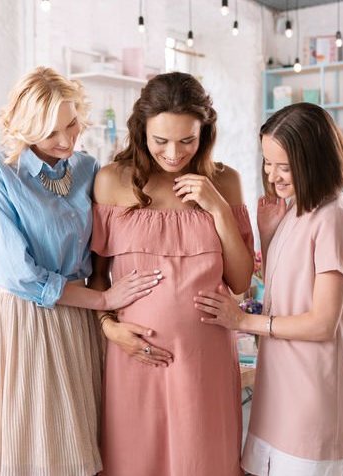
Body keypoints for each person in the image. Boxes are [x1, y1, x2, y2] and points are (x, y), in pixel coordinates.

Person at [0, 66, 162, 476]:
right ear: (25, 128)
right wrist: (105, 299)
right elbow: (19, 273)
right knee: (36, 449)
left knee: (81, 444)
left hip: (79, 320)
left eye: (72, 124)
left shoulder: (89, 168)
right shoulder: (0, 174)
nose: (66, 140)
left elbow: (114, 233)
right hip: (27, 320)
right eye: (50, 132)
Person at [90, 71, 254, 476]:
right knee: (135, 462)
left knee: (204, 462)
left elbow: (240, 280)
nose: (173, 153)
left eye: (187, 140)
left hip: (206, 359)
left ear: (205, 132)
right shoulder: (112, 181)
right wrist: (109, 329)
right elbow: (94, 279)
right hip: (135, 356)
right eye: (160, 140)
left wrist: (216, 207)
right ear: (141, 129)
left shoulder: (225, 182)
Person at [194, 102, 343, 476]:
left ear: (314, 161)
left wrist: (242, 321)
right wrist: (268, 237)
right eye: (268, 164)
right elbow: (286, 290)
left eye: (284, 167)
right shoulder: (296, 210)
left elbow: (322, 323)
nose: (273, 176)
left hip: (312, 402)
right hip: (277, 395)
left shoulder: (333, 217)